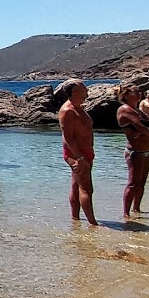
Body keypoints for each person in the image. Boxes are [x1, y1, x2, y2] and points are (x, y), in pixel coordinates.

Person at [56, 80, 98, 226]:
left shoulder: (78, 107)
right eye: (83, 87)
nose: (87, 89)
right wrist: (79, 157)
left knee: (76, 185)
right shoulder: (67, 111)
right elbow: (67, 137)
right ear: (74, 91)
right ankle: (93, 224)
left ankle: (75, 220)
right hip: (77, 153)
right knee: (86, 188)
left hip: (84, 151)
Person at [117, 84, 149, 219]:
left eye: (139, 91)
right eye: (135, 92)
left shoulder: (138, 111)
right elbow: (144, 129)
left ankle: (137, 209)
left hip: (146, 150)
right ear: (126, 95)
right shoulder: (125, 110)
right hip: (135, 151)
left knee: (142, 182)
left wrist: (147, 131)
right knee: (133, 183)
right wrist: (147, 131)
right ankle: (126, 214)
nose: (139, 94)